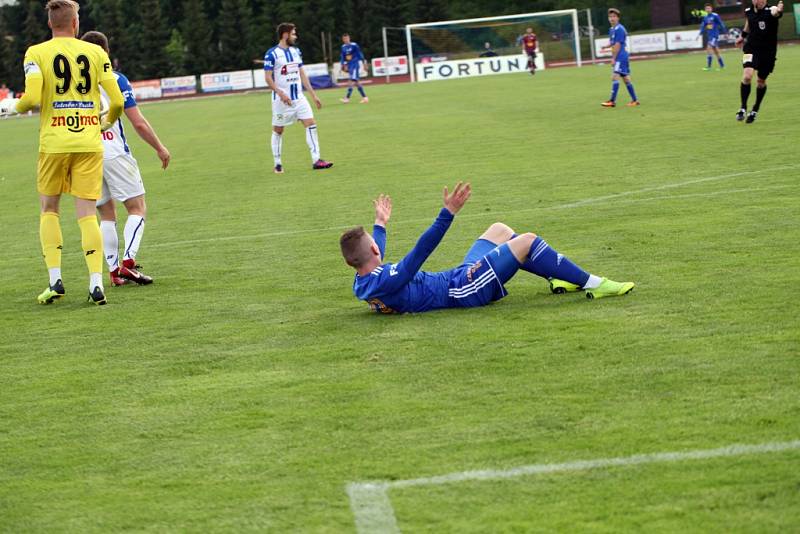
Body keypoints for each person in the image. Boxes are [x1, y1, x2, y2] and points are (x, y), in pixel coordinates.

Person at [340, 183, 635, 314]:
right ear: (375, 252)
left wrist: (380, 223)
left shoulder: (364, 281)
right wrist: (448, 213)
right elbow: (421, 250)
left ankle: (556, 276)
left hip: (457, 278)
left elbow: (373, 255)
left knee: (500, 230)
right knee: (527, 240)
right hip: (464, 290)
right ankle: (594, 283)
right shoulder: (389, 278)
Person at [0, 0, 124, 306]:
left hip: (54, 144)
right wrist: (102, 121)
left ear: (50, 24)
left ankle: (55, 280)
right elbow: (117, 101)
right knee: (86, 214)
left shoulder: (36, 53)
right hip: (88, 144)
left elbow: (30, 100)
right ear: (75, 23)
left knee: (49, 209)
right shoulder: (96, 53)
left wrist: (9, 108)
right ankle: (96, 284)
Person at [81, 31, 170, 287]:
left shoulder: (78, 85)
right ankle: (128, 263)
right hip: (114, 152)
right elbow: (138, 123)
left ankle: (112, 271)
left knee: (106, 214)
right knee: (137, 207)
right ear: (105, 53)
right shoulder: (115, 79)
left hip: (86, 155)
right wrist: (160, 147)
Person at [264, 22, 333, 174]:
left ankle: (317, 160)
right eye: (293, 33)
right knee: (278, 130)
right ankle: (277, 164)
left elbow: (302, 74)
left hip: (299, 98)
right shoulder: (272, 54)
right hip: (280, 101)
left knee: (311, 124)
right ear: (285, 34)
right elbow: (268, 78)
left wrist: (313, 95)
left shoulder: (296, 52)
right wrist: (281, 93)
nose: (296, 36)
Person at [735, 0, 784, 124]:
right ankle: (743, 108)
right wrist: (742, 36)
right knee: (747, 76)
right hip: (751, 49)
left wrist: (778, 10)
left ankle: (755, 109)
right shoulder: (748, 11)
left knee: (761, 81)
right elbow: (748, 24)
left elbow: (775, 13)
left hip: (768, 53)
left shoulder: (770, 10)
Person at [600, 8, 640, 108]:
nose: (612, 18)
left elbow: (617, 45)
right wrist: (606, 46)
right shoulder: (612, 29)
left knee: (615, 76)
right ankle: (635, 100)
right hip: (621, 56)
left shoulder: (619, 29)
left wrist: (613, 59)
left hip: (620, 57)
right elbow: (612, 42)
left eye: (614, 16)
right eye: (610, 17)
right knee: (626, 79)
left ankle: (612, 101)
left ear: (618, 18)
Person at [697, 3, 728, 71]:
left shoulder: (715, 15)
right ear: (705, 9)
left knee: (709, 48)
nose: (708, 9)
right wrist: (700, 33)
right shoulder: (705, 17)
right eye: (707, 8)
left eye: (709, 8)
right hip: (710, 36)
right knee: (716, 51)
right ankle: (722, 66)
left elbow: (721, 23)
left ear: (711, 9)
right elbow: (703, 26)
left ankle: (709, 67)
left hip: (714, 36)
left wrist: (725, 32)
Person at [339, 33, 368, 104]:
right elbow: (343, 56)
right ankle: (365, 98)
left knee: (351, 81)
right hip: (350, 66)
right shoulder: (343, 47)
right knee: (357, 82)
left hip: (355, 65)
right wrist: (343, 65)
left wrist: (364, 63)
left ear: (349, 38)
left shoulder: (354, 45)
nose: (345, 40)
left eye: (347, 38)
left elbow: (360, 54)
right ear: (343, 40)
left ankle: (347, 98)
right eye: (344, 39)